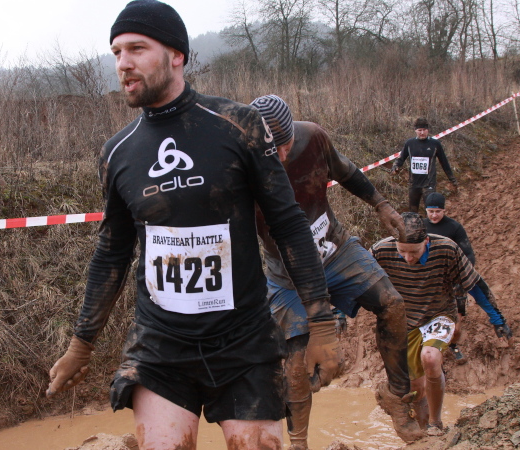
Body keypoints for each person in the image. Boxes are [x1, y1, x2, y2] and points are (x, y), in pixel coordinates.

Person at [45, 2, 336, 449]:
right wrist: (81, 344)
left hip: (243, 341)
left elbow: (288, 223)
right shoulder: (118, 151)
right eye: (117, 52)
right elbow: (112, 252)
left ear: (176, 54)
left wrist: (322, 323)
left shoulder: (240, 126)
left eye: (137, 49)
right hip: (160, 344)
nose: (123, 63)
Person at [250, 95, 424, 448]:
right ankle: (299, 442)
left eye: (286, 146)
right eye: (271, 151)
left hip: (334, 248)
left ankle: (396, 396)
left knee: (392, 304)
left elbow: (345, 171)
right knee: (297, 364)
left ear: (293, 134)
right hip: (287, 275)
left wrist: (381, 204)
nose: (281, 156)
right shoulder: (240, 169)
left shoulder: (313, 137)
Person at [370, 213, 500, 436]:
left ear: (426, 241)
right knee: (415, 387)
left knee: (430, 358)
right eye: (402, 252)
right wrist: (341, 313)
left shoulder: (447, 248)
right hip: (405, 320)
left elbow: (474, 285)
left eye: (414, 252)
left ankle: (436, 423)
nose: (408, 258)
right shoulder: (380, 250)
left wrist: (497, 318)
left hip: (439, 314)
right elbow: (356, 279)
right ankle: (424, 435)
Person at [424, 192, 512, 363]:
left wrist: (460, 274)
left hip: (455, 278)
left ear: (444, 210)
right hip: (430, 281)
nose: (434, 215)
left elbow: (469, 255)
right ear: (426, 211)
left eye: (438, 211)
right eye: (431, 211)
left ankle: (454, 345)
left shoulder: (454, 227)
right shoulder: (420, 227)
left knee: (457, 324)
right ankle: (435, 351)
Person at [391, 118, 458, 213]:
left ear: (428, 130)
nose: (422, 133)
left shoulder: (435, 144)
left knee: (430, 210)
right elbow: (401, 158)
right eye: (419, 130)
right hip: (414, 184)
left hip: (429, 184)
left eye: (424, 130)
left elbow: (444, 162)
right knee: (412, 212)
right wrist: (395, 166)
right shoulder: (409, 143)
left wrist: (452, 179)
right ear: (415, 130)